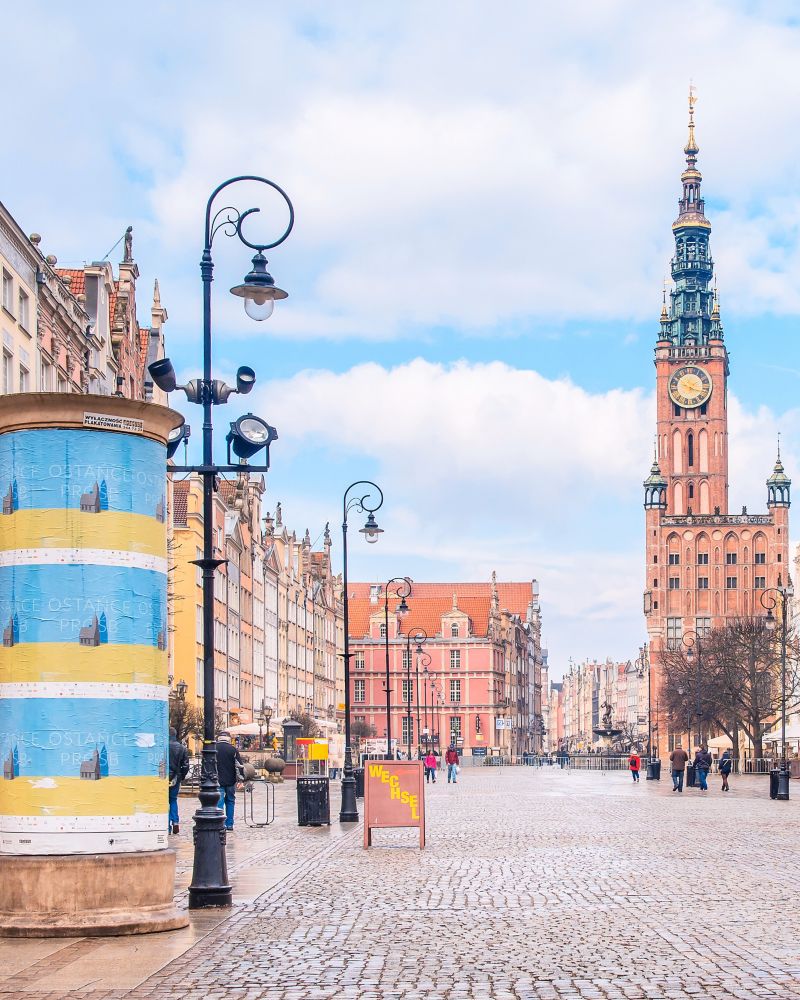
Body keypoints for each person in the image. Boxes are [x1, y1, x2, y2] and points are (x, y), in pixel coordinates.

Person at [216, 730, 244, 831]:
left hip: (217, 780)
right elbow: (239, 765)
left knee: (219, 801)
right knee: (230, 801)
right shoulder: (232, 749)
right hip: (231, 780)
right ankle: (230, 824)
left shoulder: (214, 748)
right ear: (229, 739)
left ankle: (220, 823)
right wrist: (241, 779)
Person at [168, 727, 190, 835]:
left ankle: (167, 826)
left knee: (164, 802)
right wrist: (182, 776)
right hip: (176, 777)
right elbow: (186, 765)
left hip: (163, 777)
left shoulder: (163, 747)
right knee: (173, 800)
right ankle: (175, 822)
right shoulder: (182, 748)